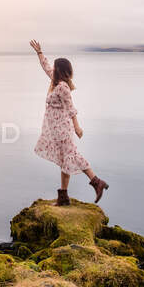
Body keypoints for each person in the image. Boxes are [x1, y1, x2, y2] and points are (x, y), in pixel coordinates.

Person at [29, 40, 109, 206]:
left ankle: (67, 196)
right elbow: (46, 67)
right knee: (70, 158)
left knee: (68, 159)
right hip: (56, 129)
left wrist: (77, 127)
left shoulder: (63, 87)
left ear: (61, 70)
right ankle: (93, 184)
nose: (53, 68)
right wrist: (39, 52)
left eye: (56, 67)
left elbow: (71, 108)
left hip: (63, 129)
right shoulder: (55, 81)